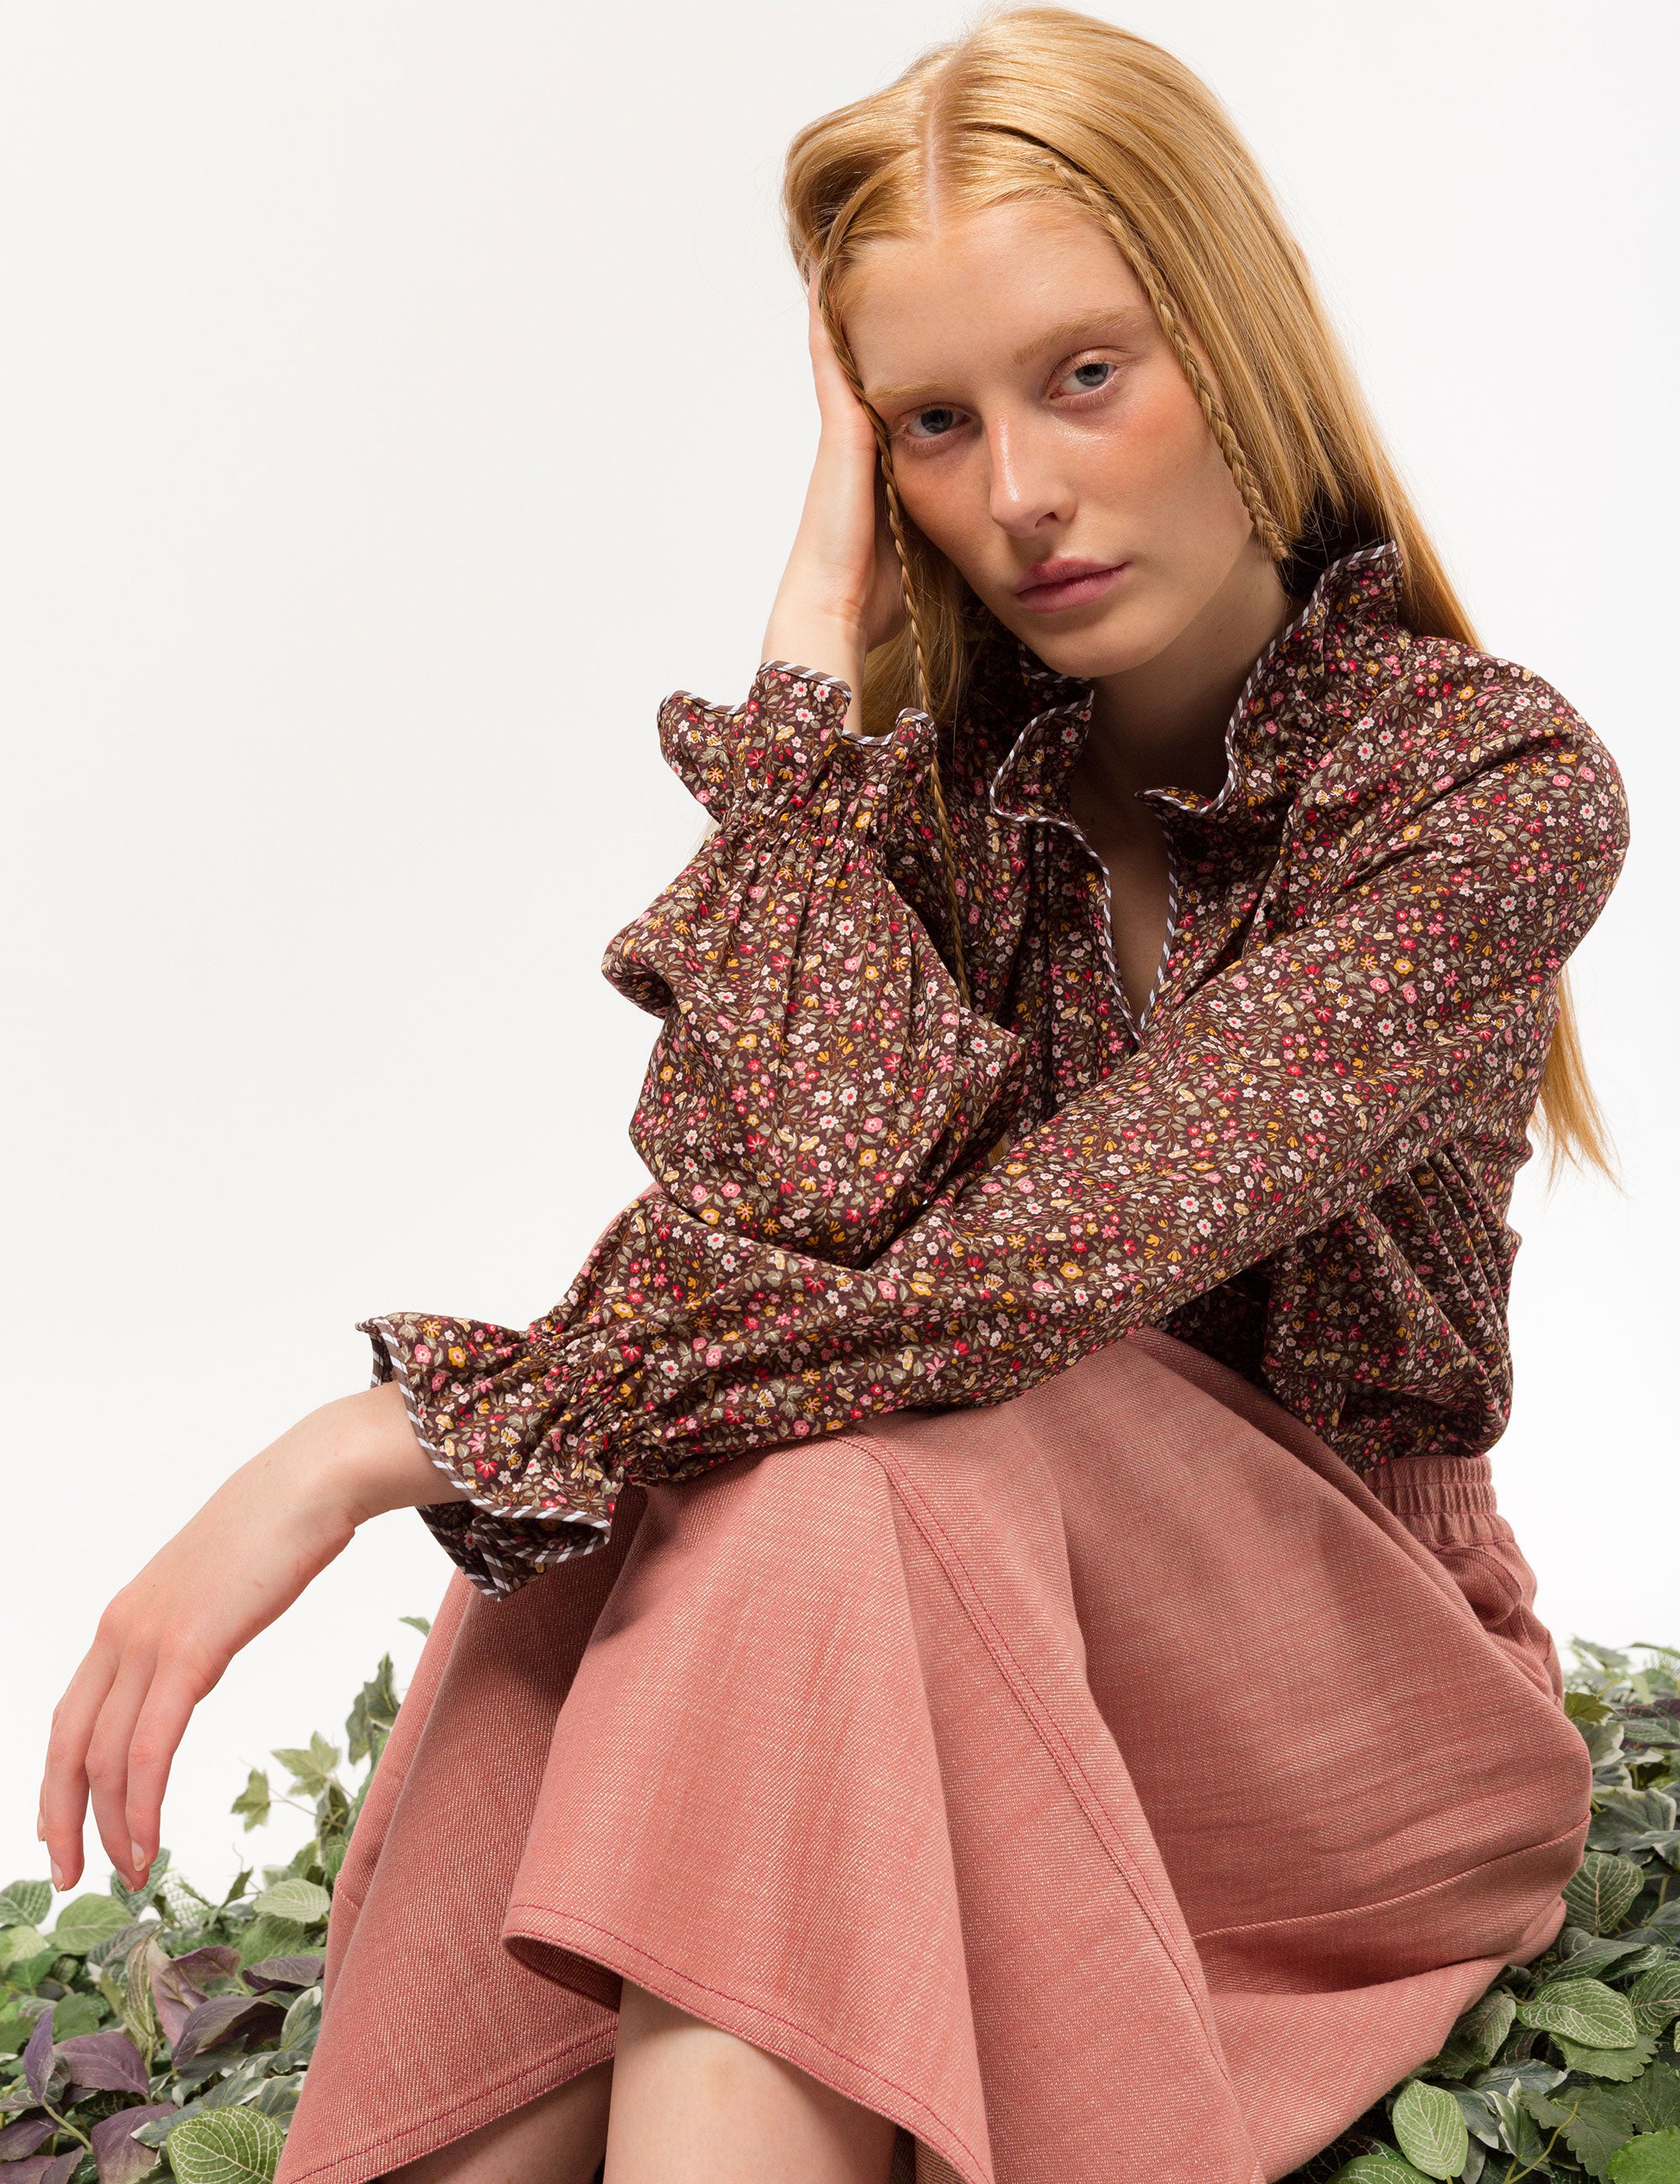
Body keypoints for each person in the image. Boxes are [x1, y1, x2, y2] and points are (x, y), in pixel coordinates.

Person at [38, 9, 1630, 2181]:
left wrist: (381, 1439)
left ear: (1240, 346)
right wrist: (812, 647)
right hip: (923, 1628)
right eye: (934, 423)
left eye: (1088, 375)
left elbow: (1036, 1273)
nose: (1024, 495)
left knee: (817, 1459)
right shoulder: (954, 785)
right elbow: (756, 1223)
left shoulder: (1480, 791)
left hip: (1351, 1724)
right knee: (800, 1481)